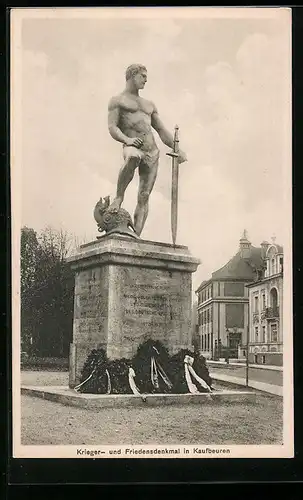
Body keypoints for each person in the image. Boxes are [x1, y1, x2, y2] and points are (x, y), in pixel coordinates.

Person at [108, 63, 187, 236]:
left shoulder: (148, 104)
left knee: (144, 195)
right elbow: (113, 127)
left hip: (152, 151)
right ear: (132, 76)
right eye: (142, 76)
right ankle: (119, 197)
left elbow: (161, 130)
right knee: (133, 157)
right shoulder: (118, 100)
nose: (145, 80)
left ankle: (136, 235)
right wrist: (127, 140)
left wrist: (177, 149)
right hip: (132, 146)